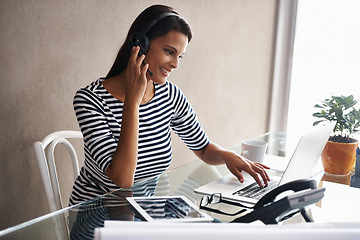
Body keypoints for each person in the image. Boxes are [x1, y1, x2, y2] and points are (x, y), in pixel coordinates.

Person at [69, 4, 269, 205]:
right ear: (140, 44)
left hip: (144, 213)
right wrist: (132, 102)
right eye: (169, 51)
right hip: (95, 216)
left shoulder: (170, 95)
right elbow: (123, 179)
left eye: (179, 56)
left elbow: (203, 148)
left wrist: (228, 155)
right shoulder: (90, 100)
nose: (176, 64)